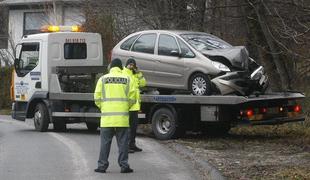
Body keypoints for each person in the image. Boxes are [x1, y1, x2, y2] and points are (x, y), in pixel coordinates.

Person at [94, 58, 136, 173]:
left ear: (111, 67)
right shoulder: (127, 79)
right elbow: (133, 98)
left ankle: (102, 166)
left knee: (105, 143)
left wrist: (103, 107)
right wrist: (125, 107)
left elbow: (97, 98)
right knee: (123, 143)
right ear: (121, 67)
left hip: (107, 119)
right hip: (122, 118)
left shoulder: (102, 79)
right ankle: (124, 166)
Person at [122, 58, 146, 153]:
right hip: (127, 106)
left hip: (135, 106)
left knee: (133, 127)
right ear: (127, 65)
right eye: (130, 64)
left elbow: (143, 84)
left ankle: (132, 144)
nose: (132, 66)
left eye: (133, 65)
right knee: (127, 128)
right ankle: (126, 146)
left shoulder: (135, 75)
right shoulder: (124, 73)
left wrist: (139, 73)